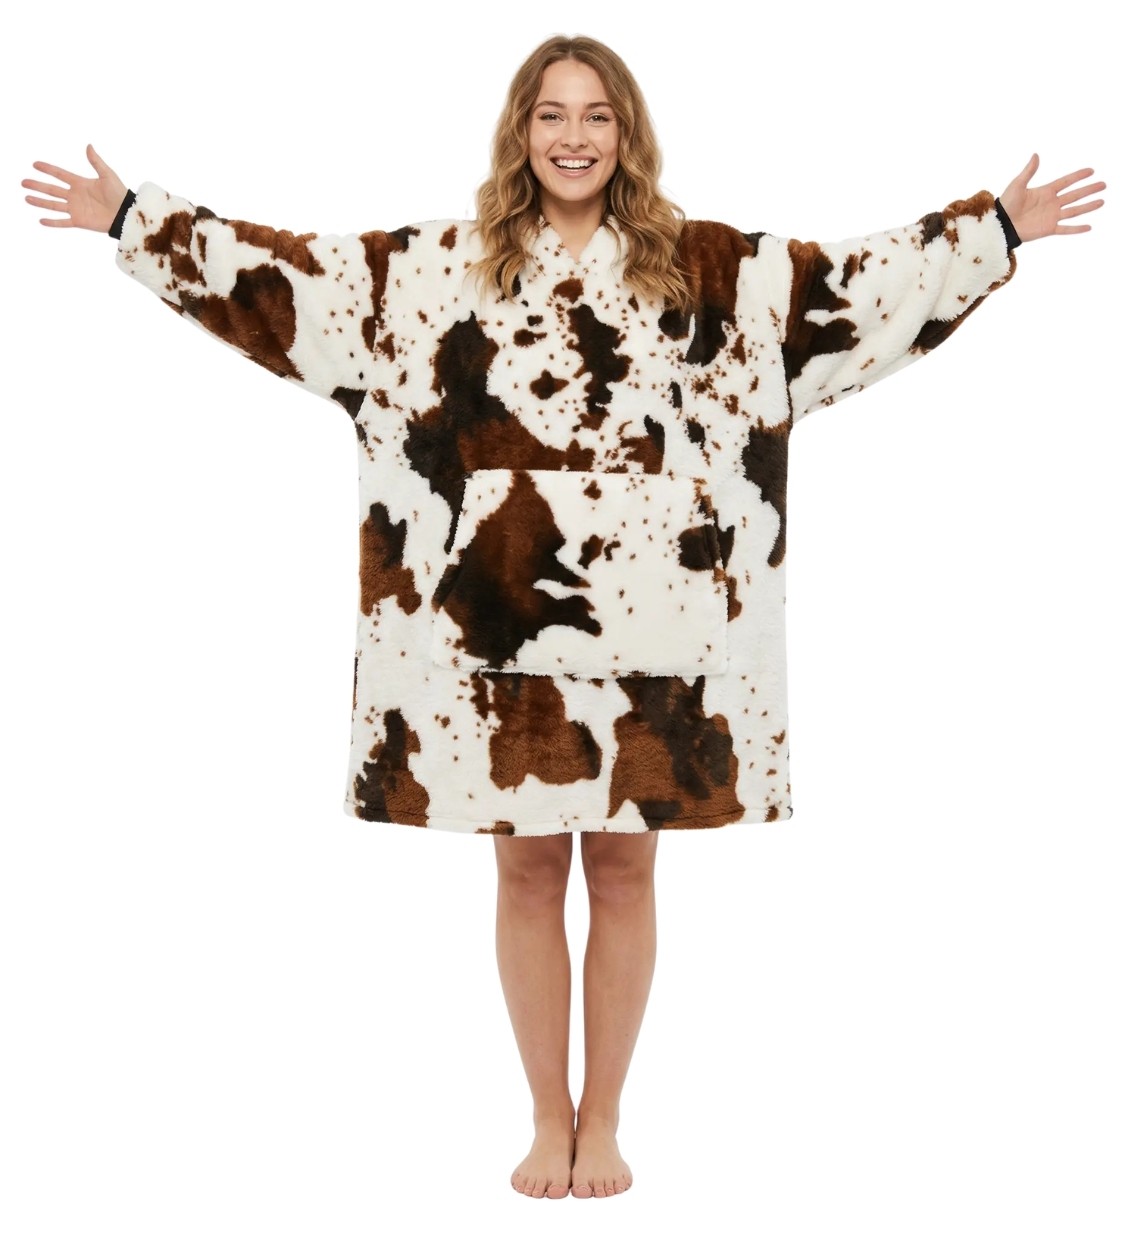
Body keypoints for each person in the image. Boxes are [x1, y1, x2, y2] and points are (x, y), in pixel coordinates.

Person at [22, 34, 1104, 1202]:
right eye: (551, 114)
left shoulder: (711, 270)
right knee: (528, 870)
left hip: (661, 638)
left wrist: (991, 232)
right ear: (520, 132)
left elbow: (850, 289)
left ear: (624, 133)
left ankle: (607, 1117)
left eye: (595, 115)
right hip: (500, 636)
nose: (573, 136)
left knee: (627, 871)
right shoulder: (436, 271)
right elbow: (291, 283)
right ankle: (547, 1114)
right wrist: (134, 219)